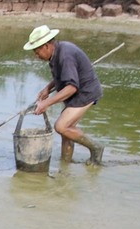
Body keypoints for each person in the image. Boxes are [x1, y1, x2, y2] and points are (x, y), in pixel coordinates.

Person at [24, 25, 105, 165]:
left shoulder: (65, 55)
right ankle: (65, 166)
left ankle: (96, 148)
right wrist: (47, 88)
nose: (36, 56)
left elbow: (72, 87)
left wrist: (46, 103)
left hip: (85, 92)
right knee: (67, 131)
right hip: (77, 91)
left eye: (37, 52)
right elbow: (61, 76)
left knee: (61, 126)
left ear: (47, 46)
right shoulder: (55, 54)